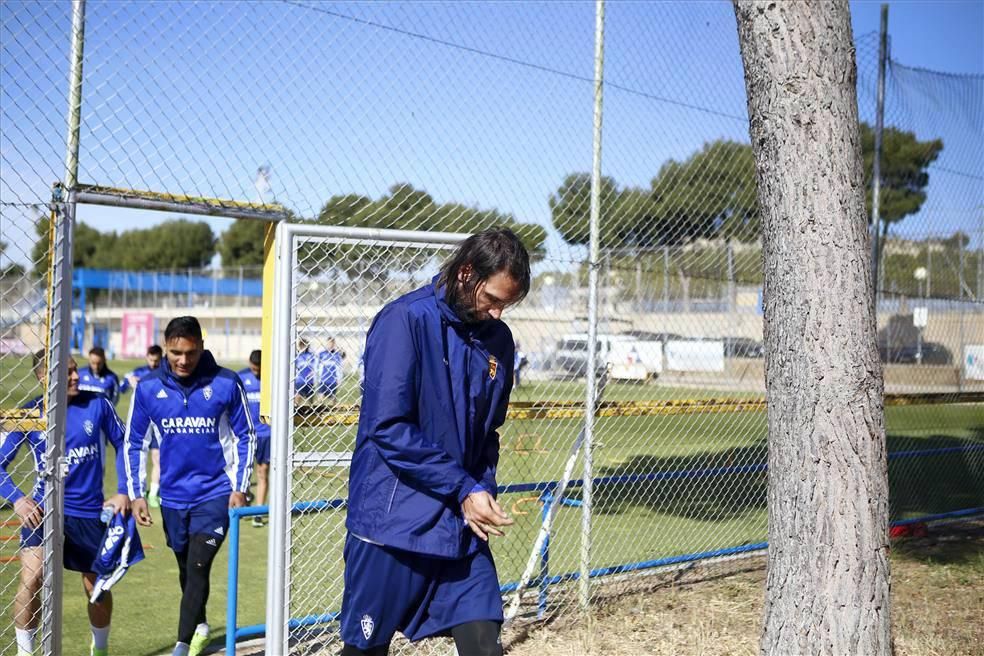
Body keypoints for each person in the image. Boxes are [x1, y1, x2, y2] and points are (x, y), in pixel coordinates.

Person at [340, 228, 530, 656]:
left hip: (459, 528)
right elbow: (387, 426)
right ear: (467, 274)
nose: (499, 314)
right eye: (493, 300)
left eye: (507, 304)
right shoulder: (404, 319)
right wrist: (463, 488)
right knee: (364, 651)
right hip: (394, 525)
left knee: (484, 645)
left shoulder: (497, 340)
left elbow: (488, 432)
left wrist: (479, 489)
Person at [123, 316, 256, 656]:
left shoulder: (226, 383)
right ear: (165, 348)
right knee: (186, 567)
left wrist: (239, 486)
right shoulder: (148, 388)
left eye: (191, 352)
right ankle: (200, 625)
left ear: (201, 346)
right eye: (175, 352)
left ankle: (181, 646)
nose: (183, 360)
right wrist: (137, 493)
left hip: (215, 494)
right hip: (172, 498)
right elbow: (133, 442)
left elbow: (246, 436)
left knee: (199, 564)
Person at [0, 351, 130, 656]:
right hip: (43, 511)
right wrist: (18, 499)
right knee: (31, 578)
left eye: (75, 370)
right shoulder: (31, 414)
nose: (76, 376)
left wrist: (124, 490)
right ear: (44, 378)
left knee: (96, 587)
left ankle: (100, 649)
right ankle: (25, 652)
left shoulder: (97, 403)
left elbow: (124, 442)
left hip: (87, 512)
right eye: (67, 373)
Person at [119, 345, 164, 508]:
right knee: (139, 453)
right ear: (146, 357)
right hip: (142, 419)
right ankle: (141, 488)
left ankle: (153, 493)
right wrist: (128, 381)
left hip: (158, 419)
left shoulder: (165, 373)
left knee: (158, 457)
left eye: (156, 361)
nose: (153, 364)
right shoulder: (137, 372)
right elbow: (121, 389)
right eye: (151, 360)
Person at [238, 350, 271, 527]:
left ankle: (258, 511)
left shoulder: (272, 377)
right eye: (253, 368)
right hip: (246, 434)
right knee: (243, 471)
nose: (256, 372)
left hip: (266, 433)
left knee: (262, 471)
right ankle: (243, 503)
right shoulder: (241, 377)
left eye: (259, 369)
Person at [317, 337, 345, 402]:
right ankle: (319, 410)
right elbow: (318, 367)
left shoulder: (337, 354)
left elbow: (339, 368)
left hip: (333, 380)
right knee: (320, 397)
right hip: (323, 379)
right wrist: (318, 377)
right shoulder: (322, 354)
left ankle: (334, 410)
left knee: (333, 397)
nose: (330, 345)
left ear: (334, 344)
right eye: (329, 343)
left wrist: (339, 379)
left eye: (332, 343)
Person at [294, 338, 317, 404]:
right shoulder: (297, 356)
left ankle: (310, 410)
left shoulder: (311, 355)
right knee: (298, 396)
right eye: (302, 345)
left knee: (310, 397)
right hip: (299, 380)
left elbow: (314, 366)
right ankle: (296, 408)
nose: (303, 347)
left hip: (309, 380)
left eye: (305, 345)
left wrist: (312, 373)